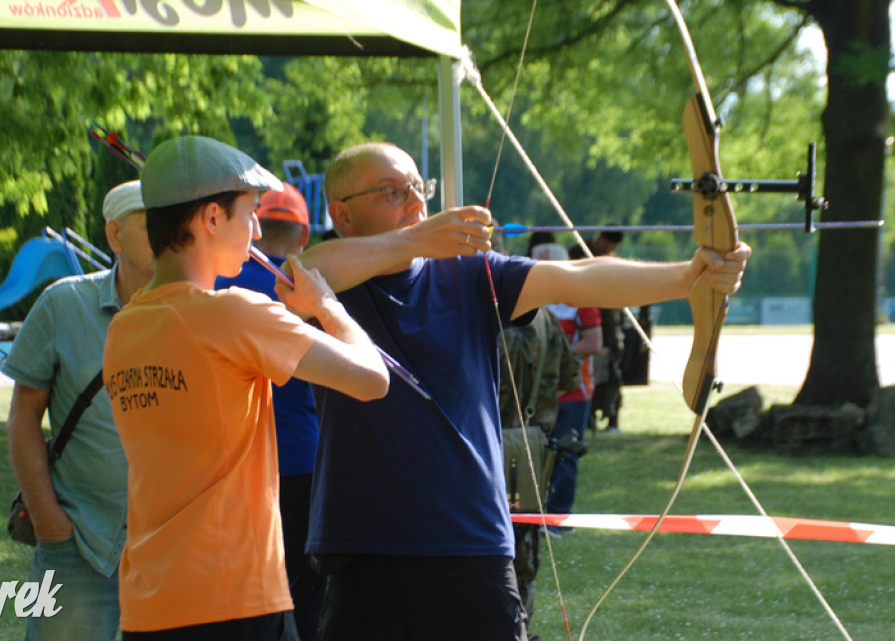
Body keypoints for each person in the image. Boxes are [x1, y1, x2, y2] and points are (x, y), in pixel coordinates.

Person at [294, 141, 750, 641]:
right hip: (364, 547)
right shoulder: (323, 282)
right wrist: (417, 240)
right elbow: (306, 270)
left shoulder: (473, 273)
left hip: (470, 541)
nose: (415, 204)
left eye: (418, 189)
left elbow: (574, 278)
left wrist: (689, 277)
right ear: (343, 214)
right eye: (391, 192)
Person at [102, 135, 389, 639]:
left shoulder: (123, 327)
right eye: (251, 212)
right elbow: (373, 380)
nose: (257, 231)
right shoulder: (233, 312)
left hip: (149, 603)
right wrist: (327, 306)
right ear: (212, 218)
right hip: (233, 597)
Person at [3, 179, 153, 641]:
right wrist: (48, 520)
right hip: (79, 542)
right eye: (154, 225)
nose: (171, 236)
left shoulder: (200, 312)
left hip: (172, 551)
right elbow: (24, 415)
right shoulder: (63, 304)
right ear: (115, 235)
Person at [214, 183, 325, 641]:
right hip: (301, 459)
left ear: (259, 231)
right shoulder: (307, 290)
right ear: (303, 238)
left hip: (237, 463)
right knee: (307, 585)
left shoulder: (220, 283)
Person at [497, 300, 581, 639]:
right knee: (524, 555)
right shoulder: (546, 318)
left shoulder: (469, 311)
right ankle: (519, 629)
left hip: (481, 449)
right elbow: (568, 378)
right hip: (531, 451)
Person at [534, 242, 602, 522]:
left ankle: (559, 519)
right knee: (533, 454)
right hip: (536, 394)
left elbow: (594, 342)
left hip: (573, 392)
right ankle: (531, 517)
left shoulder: (581, 298)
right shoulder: (530, 296)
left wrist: (554, 354)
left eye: (538, 266)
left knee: (565, 455)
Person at [587, 231, 626, 432]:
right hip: (591, 325)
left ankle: (612, 419)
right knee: (591, 373)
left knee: (611, 375)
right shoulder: (583, 252)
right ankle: (590, 417)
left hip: (611, 331)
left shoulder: (614, 261)